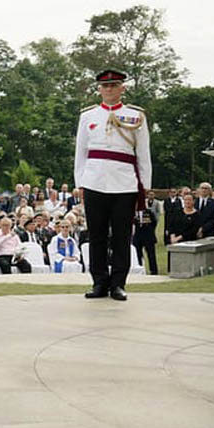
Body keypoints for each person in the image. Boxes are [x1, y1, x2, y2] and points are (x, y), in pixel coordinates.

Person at [74, 69, 152, 301]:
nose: (109, 90)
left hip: (125, 183)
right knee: (96, 236)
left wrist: (145, 186)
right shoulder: (88, 116)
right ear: (99, 89)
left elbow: (143, 153)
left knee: (121, 236)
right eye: (105, 86)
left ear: (122, 88)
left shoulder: (136, 116)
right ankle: (99, 282)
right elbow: (81, 152)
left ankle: (118, 283)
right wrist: (80, 183)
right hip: (95, 181)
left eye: (114, 85)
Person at [133, 203, 159, 275]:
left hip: (148, 236)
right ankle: (140, 270)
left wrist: (150, 231)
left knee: (151, 255)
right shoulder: (132, 213)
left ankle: (154, 271)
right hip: (137, 237)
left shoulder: (149, 212)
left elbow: (154, 222)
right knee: (138, 255)